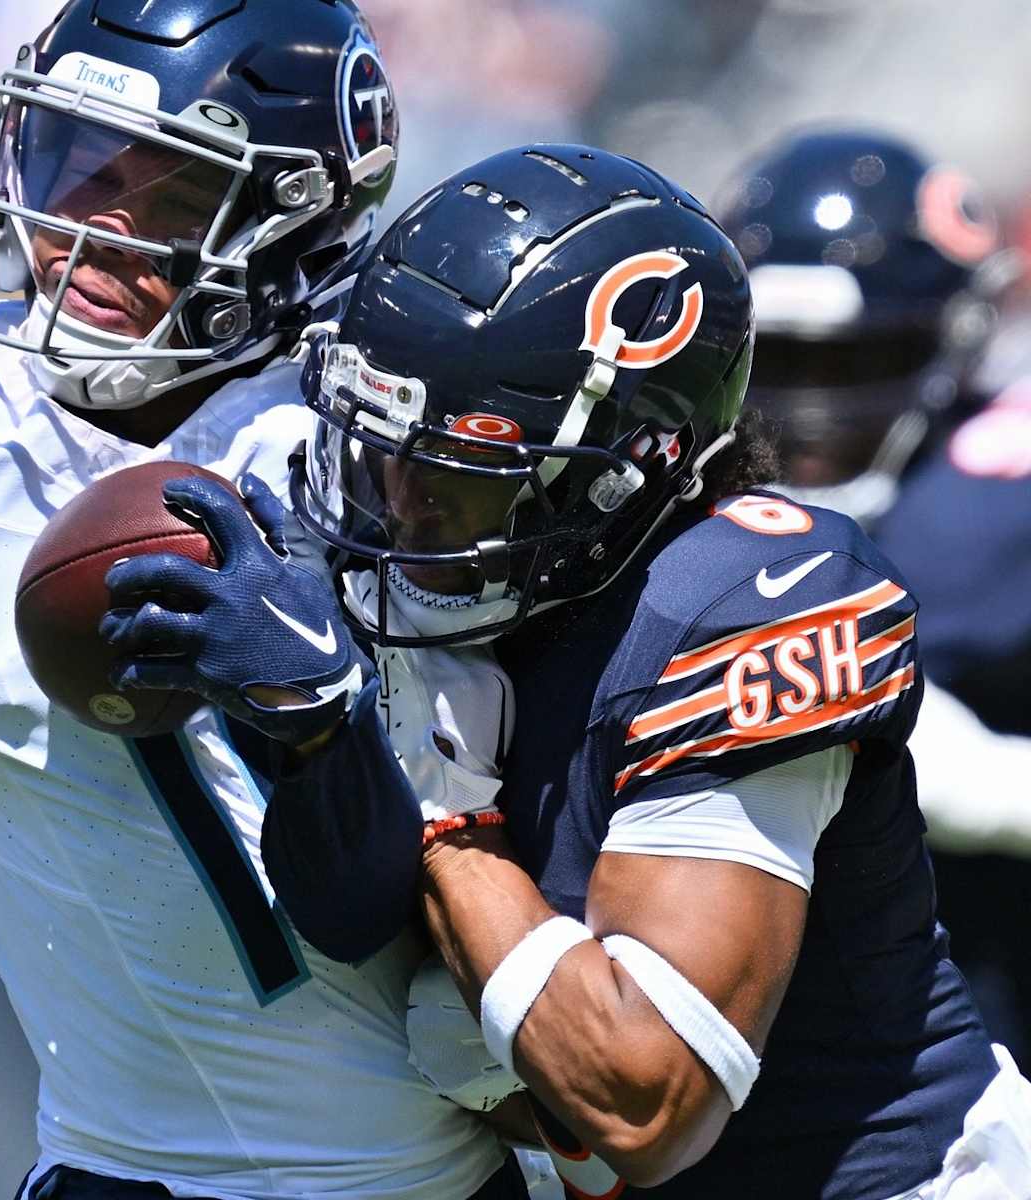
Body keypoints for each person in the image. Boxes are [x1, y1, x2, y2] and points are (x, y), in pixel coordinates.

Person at [108, 144, 1031, 1198]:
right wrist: (321, 732)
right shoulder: (450, 574)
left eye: (456, 473)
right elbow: (352, 916)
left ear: (624, 467)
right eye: (376, 450)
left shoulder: (746, 602)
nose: (397, 507)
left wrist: (444, 811)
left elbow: (646, 1098)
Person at [0, 2, 540, 1198]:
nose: (90, 234)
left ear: (296, 228)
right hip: (111, 1168)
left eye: (173, 201)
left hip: (421, 1175)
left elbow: (372, 907)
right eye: (71, 164)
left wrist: (317, 723)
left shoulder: (376, 456)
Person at [719, 126, 1031, 1070]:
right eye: (787, 363)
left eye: (855, 364)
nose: (814, 413)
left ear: (960, 336)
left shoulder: (979, 510)